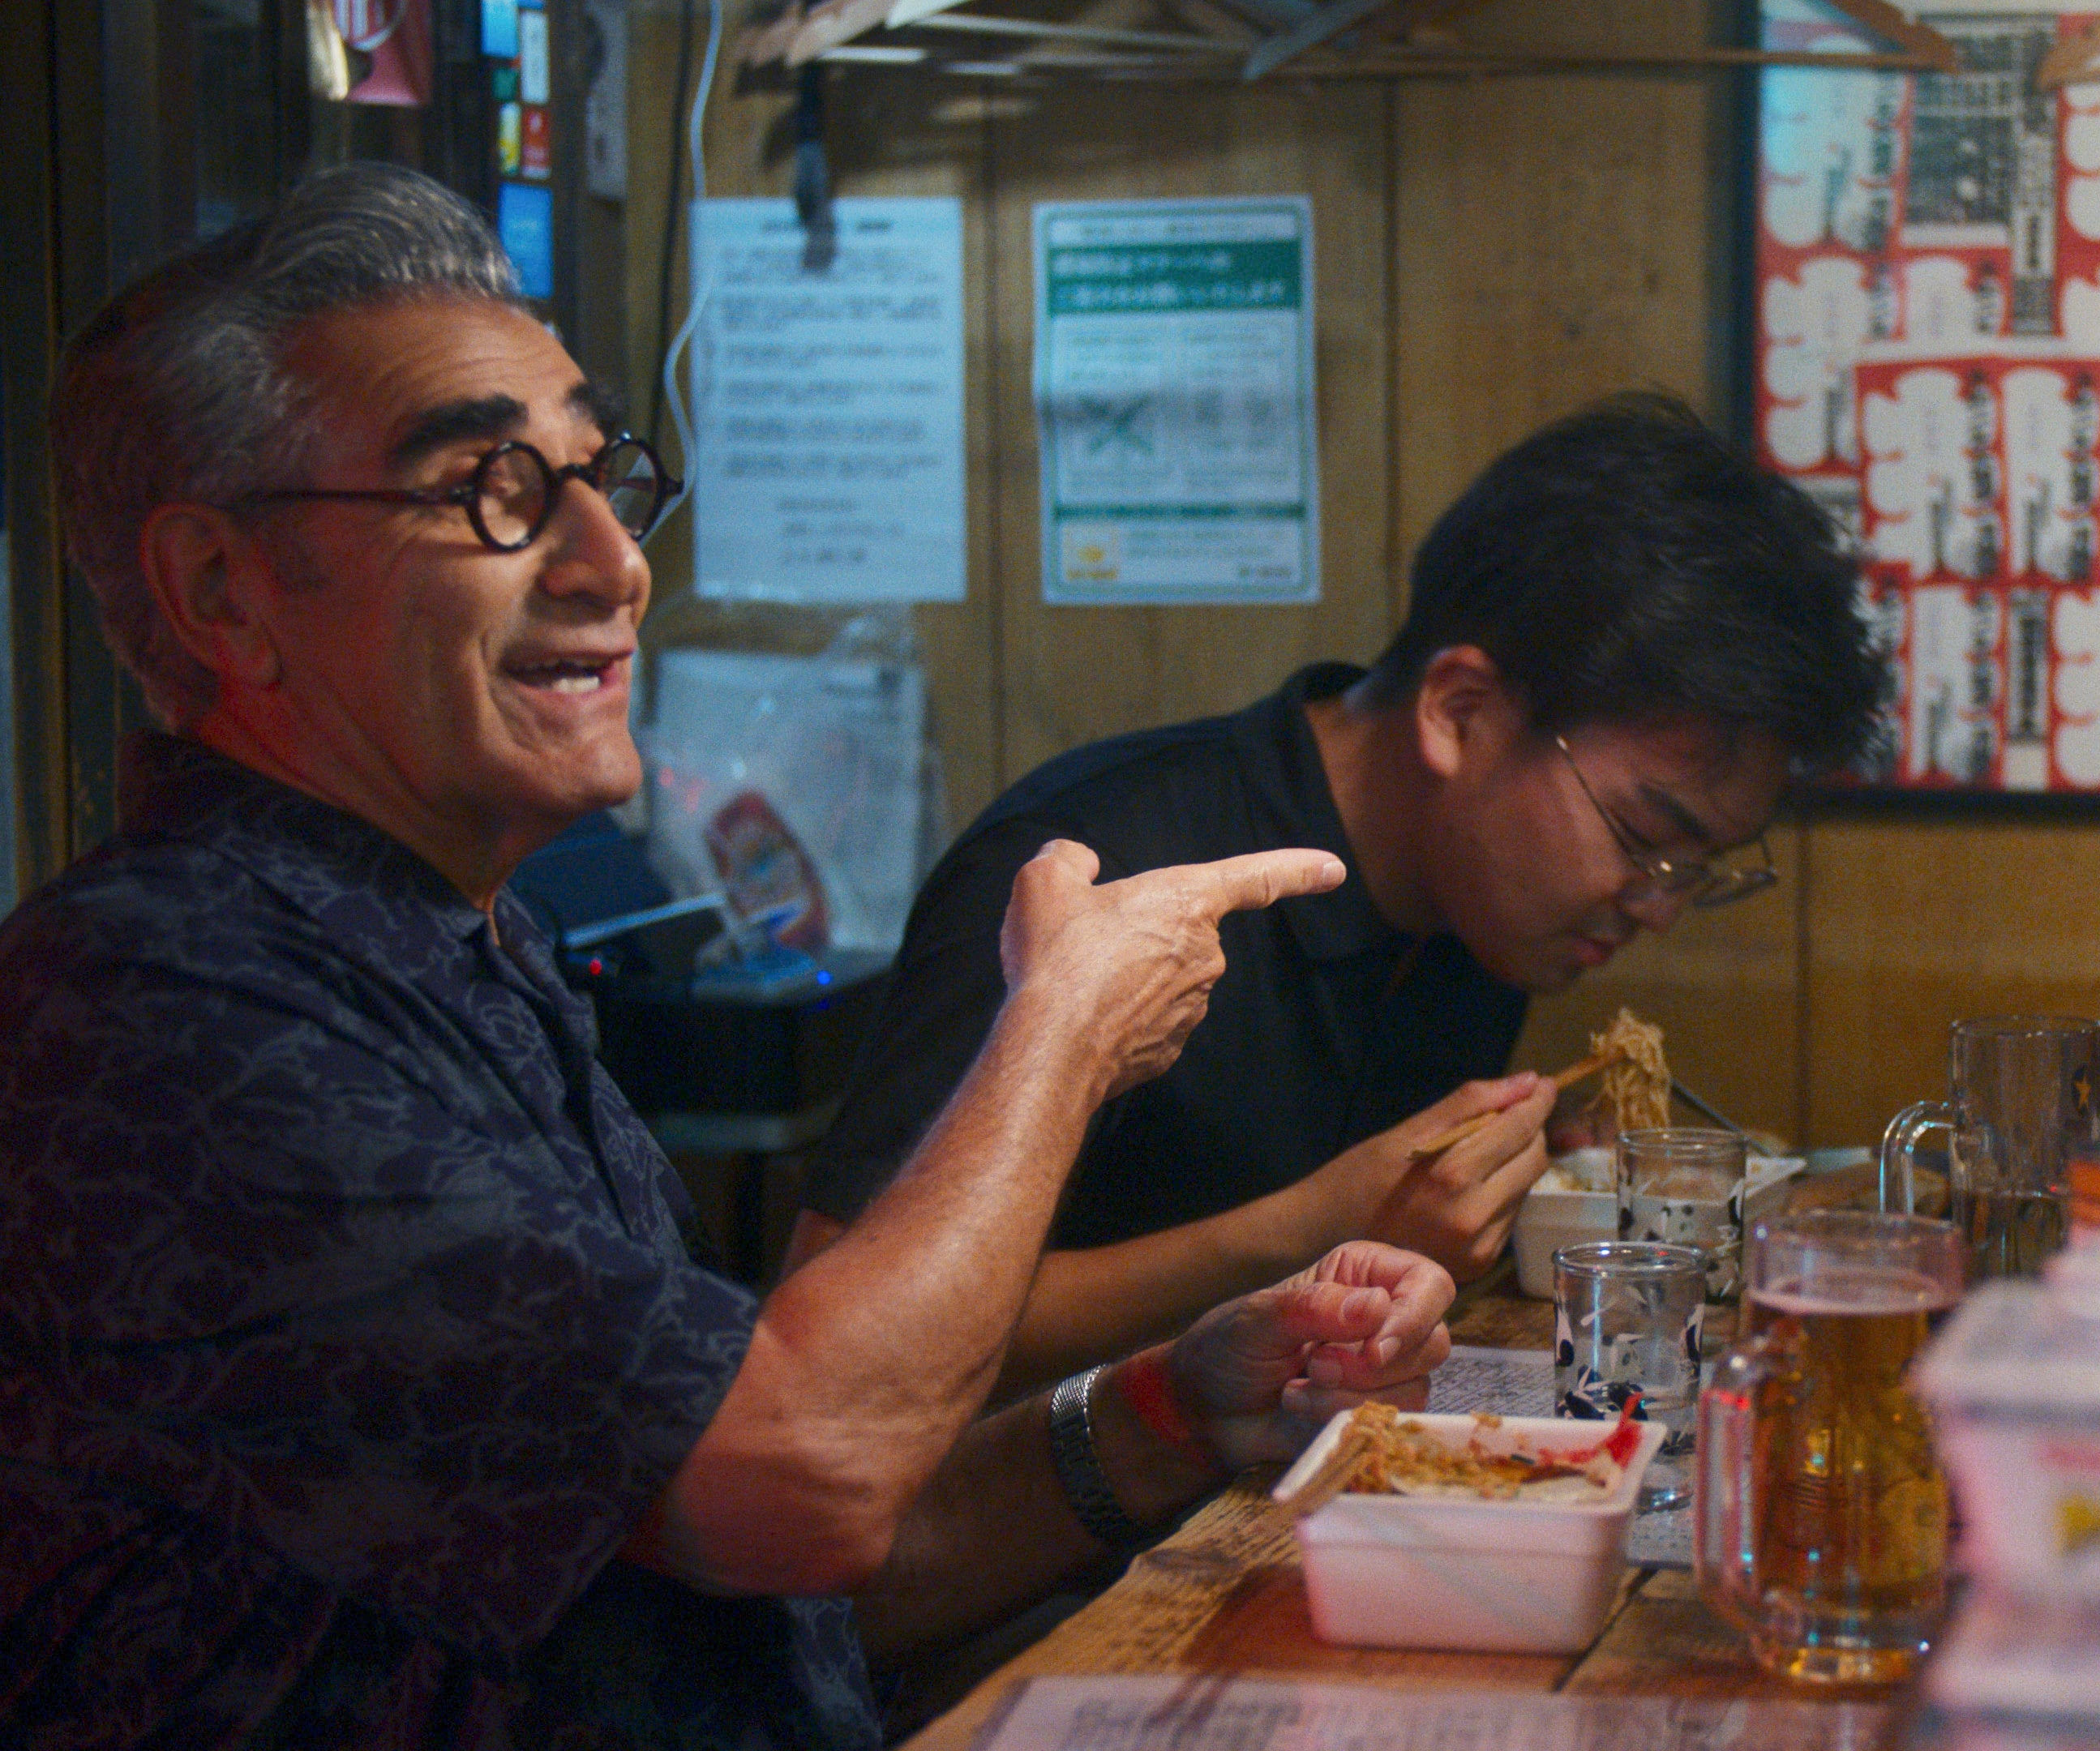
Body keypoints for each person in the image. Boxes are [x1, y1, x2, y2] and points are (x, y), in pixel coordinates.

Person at [0, 162, 1454, 1749]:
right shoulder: (153, 1014)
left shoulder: (453, 948)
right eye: (493, 488)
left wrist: (1175, 1408)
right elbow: (799, 1470)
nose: (612, 566)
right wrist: (1065, 1028)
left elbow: (753, 1583)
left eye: (601, 476)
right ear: (223, 589)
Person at [792, 394, 1888, 1388]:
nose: (1657, 905)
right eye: (1649, 839)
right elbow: (833, 1327)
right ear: (1459, 713)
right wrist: (1303, 1230)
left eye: (1699, 874)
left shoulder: (1474, 915)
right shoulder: (1090, 870)